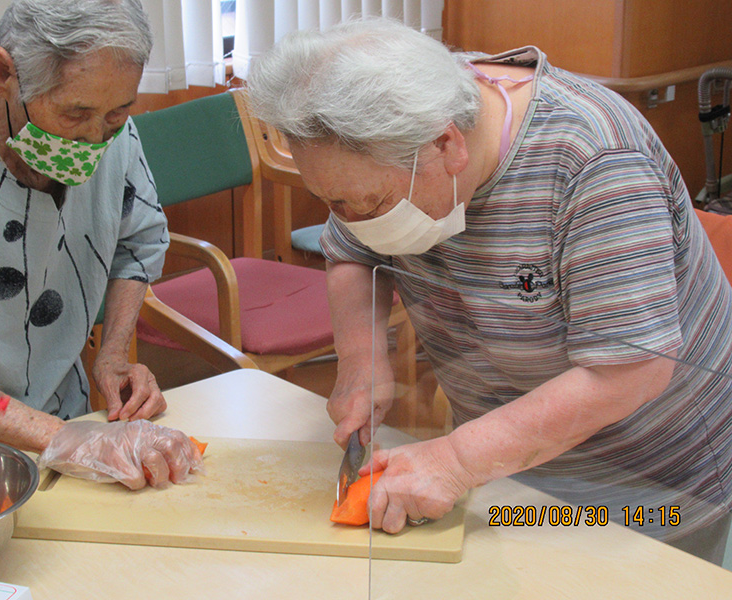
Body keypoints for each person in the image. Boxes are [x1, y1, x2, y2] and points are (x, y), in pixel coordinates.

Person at [247, 18, 732, 563]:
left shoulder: (596, 159)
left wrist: (456, 461)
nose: (351, 219)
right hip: (506, 468)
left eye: (370, 205)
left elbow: (630, 371)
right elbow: (353, 251)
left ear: (447, 144)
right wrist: (362, 364)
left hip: (647, 492)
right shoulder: (396, 125)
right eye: (333, 202)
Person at [0, 0, 199, 489]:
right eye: (76, 114)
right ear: (3, 74)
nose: (96, 139)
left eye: (117, 114)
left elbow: (137, 241)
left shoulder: (109, 127)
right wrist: (77, 441)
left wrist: (113, 354)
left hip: (66, 426)